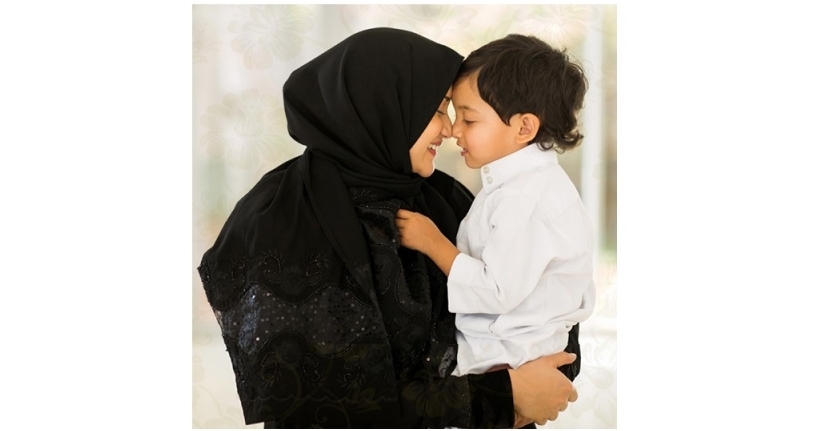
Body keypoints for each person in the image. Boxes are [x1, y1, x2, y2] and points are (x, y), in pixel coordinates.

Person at [198, 28, 578, 429]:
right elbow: (324, 403)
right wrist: (503, 396)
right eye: (439, 110)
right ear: (386, 107)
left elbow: (548, 303)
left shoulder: (443, 199)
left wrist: (538, 385)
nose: (450, 130)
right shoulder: (285, 220)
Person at [396, 34, 596, 380]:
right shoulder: (522, 187)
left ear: (524, 127)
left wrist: (432, 242)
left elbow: (497, 291)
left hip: (509, 358)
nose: (454, 131)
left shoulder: (525, 199)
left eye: (469, 120)